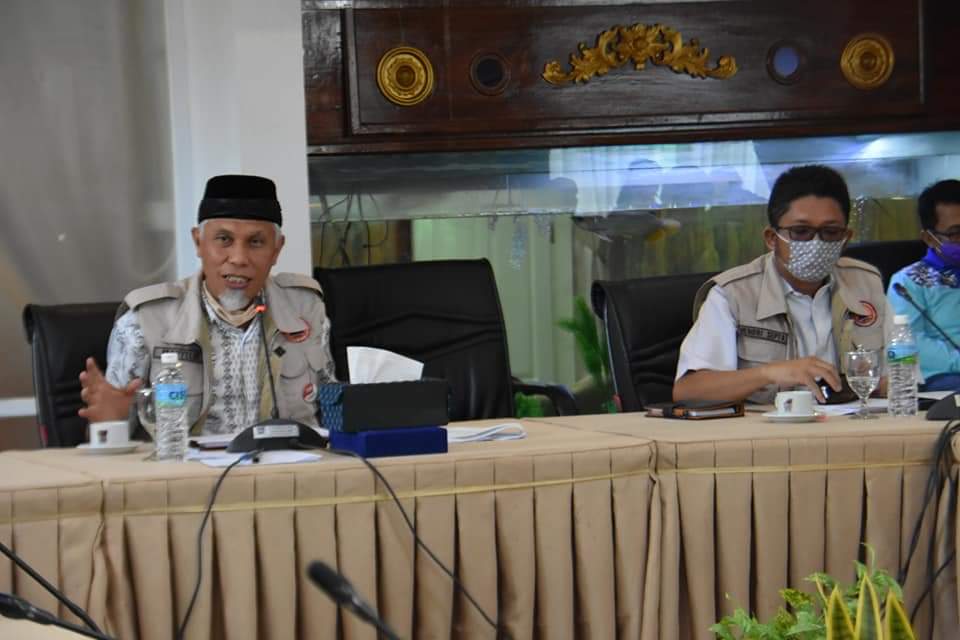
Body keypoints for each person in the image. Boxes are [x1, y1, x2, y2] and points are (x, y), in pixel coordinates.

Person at [78, 174, 336, 436]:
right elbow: (107, 438)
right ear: (198, 242)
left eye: (256, 242)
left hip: (288, 460)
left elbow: (334, 411)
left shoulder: (306, 310)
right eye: (224, 239)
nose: (238, 258)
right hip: (185, 462)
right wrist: (110, 423)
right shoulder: (145, 320)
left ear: (277, 249)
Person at [674, 164, 891, 404]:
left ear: (845, 238)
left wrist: (885, 384)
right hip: (765, 426)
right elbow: (688, 391)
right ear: (771, 238)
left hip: (850, 422)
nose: (816, 243)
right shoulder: (732, 294)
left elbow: (897, 372)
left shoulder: (866, 283)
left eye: (830, 232)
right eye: (801, 231)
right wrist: (768, 374)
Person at [887, 179, 960, 391]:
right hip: (945, 378)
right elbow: (908, 344)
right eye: (956, 233)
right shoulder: (906, 283)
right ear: (929, 238)